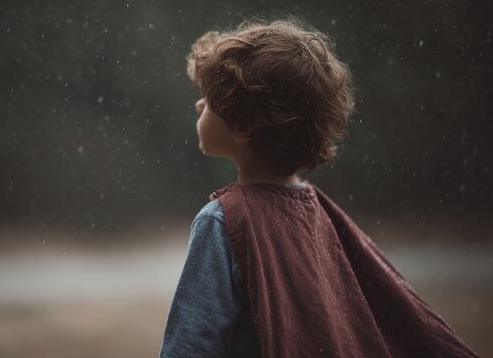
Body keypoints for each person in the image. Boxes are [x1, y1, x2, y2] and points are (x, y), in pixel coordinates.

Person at [159, 18, 479, 358]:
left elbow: (191, 345)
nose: (198, 105)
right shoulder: (315, 211)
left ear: (242, 126)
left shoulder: (221, 222)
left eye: (209, 100)